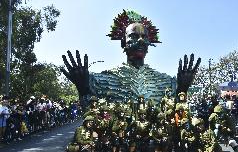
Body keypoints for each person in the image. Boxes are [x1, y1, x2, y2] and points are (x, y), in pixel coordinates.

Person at [60, 10, 201, 107]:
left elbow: (176, 117)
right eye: (133, 36)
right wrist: (83, 89)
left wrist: (182, 89)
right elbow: (91, 116)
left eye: (144, 37)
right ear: (123, 43)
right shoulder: (101, 81)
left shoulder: (167, 83)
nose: (140, 40)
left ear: (149, 44)